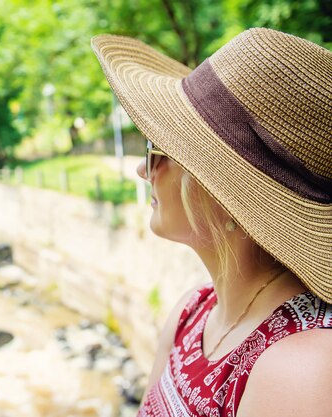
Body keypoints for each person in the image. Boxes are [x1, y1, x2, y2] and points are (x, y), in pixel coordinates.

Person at [91, 28, 331, 417]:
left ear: (227, 197)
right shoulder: (194, 311)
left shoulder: (303, 370)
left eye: (156, 149)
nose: (142, 169)